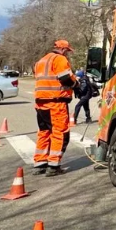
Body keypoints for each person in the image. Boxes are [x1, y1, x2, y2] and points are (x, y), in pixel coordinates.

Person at [32, 40, 77, 177]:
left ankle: (40, 163)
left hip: (40, 103)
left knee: (44, 132)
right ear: (63, 49)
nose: (68, 54)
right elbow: (65, 79)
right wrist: (76, 85)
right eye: (67, 51)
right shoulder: (60, 59)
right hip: (55, 102)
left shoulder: (41, 61)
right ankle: (53, 165)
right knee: (60, 133)